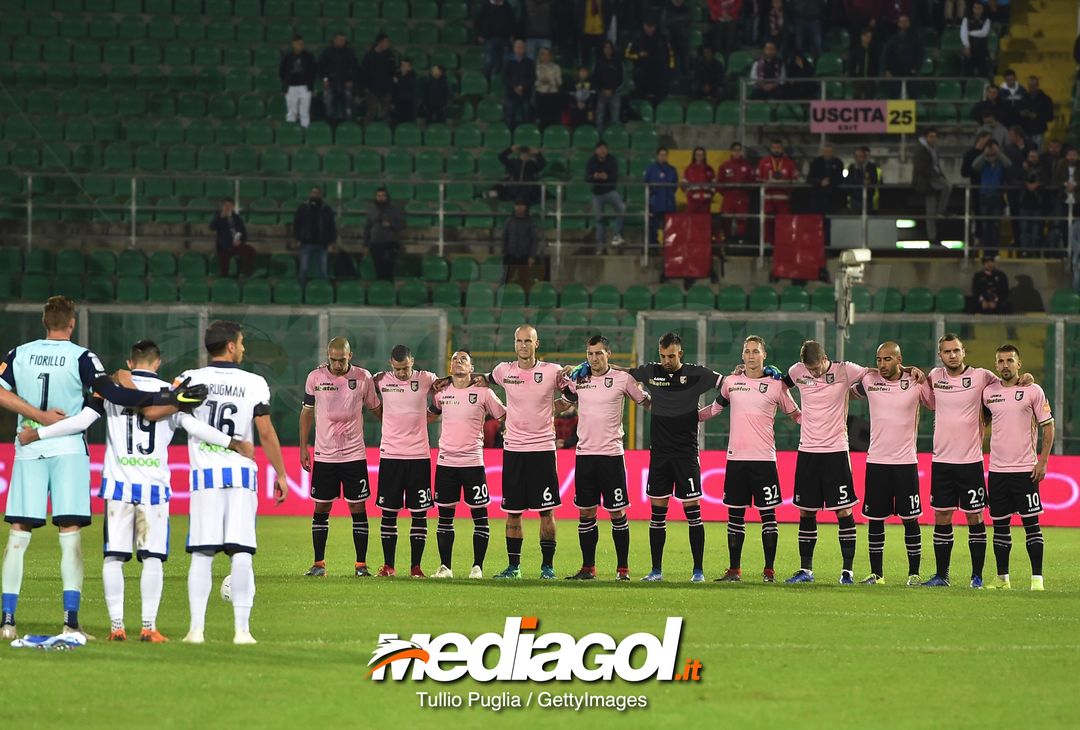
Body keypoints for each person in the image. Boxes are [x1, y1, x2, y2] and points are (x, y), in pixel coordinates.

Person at [0, 296, 208, 641]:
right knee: (70, 537)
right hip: (69, 451)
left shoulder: (17, 354)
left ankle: (7, 621)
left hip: (29, 447)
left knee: (18, 536)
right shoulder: (82, 357)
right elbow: (114, 394)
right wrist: (167, 399)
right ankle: (71, 622)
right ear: (72, 323)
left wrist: (36, 421)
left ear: (43, 320)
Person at [17, 340, 251, 642]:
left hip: (118, 485)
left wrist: (38, 432)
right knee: (152, 558)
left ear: (130, 362)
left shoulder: (112, 392)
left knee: (114, 557)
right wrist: (232, 442)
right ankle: (148, 626)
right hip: (154, 487)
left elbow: (82, 421)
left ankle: (117, 627)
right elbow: (195, 428)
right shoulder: (171, 394)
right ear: (157, 362)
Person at [176, 320, 289, 644]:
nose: (243, 348)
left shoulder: (189, 379)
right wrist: (280, 473)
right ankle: (242, 630)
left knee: (202, 553)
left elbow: (176, 416)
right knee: (241, 552)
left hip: (205, 477)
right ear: (229, 346)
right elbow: (265, 431)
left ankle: (196, 630)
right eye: (240, 343)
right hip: (241, 476)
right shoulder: (253, 382)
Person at [779, 341, 921, 584]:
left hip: (836, 450)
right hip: (807, 450)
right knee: (806, 510)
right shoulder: (796, 371)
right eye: (809, 370)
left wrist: (907, 369)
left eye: (817, 368)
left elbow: (875, 373)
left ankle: (847, 571)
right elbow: (778, 386)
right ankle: (806, 570)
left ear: (826, 358)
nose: (813, 373)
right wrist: (793, 412)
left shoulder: (845, 370)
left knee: (843, 510)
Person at [920, 334, 1031, 588]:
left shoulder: (982, 376)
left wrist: (1028, 378)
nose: (952, 355)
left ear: (964, 351)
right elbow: (925, 400)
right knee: (942, 515)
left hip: (970, 462)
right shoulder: (935, 377)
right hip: (942, 461)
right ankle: (941, 576)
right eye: (947, 352)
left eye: (956, 350)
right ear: (940, 355)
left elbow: (1007, 384)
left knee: (974, 517)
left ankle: (977, 576)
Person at [467, 325, 569, 580]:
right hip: (513, 449)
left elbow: (573, 392)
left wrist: (557, 404)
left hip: (543, 449)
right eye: (519, 340)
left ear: (537, 344)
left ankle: (547, 567)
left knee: (547, 511)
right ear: (514, 344)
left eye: (528, 341)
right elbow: (483, 378)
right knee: (513, 512)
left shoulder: (551, 371)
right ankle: (514, 567)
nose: (523, 345)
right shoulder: (504, 370)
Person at [697, 336, 801, 583]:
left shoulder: (776, 386)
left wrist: (823, 425)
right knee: (735, 516)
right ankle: (734, 570)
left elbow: (796, 415)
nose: (751, 355)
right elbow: (714, 409)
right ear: (742, 356)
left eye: (756, 351)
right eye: (747, 351)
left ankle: (769, 571)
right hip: (736, 459)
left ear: (764, 355)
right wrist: (687, 417)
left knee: (768, 517)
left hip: (764, 460)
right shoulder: (731, 382)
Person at [624, 333, 724, 582]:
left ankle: (698, 571)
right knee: (657, 515)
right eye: (663, 355)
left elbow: (728, 384)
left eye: (671, 356)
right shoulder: (651, 372)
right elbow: (623, 372)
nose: (666, 360)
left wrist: (710, 411)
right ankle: (656, 570)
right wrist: (594, 366)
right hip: (659, 454)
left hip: (686, 454)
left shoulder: (696, 374)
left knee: (693, 513)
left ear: (680, 353)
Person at [560, 336, 650, 580]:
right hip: (585, 456)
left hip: (611, 457)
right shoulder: (580, 378)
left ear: (609, 354)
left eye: (599, 353)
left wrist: (673, 405)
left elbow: (646, 402)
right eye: (590, 354)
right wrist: (559, 382)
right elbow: (562, 404)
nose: (594, 358)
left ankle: (623, 570)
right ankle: (588, 568)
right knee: (586, 513)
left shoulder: (623, 379)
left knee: (617, 513)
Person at [850, 343, 933, 586]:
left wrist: (917, 373)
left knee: (911, 519)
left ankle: (914, 574)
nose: (882, 364)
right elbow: (846, 388)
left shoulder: (916, 383)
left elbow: (934, 403)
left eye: (888, 359)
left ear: (899, 359)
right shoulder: (869, 380)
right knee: (875, 520)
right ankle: (877, 574)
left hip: (906, 463)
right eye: (879, 359)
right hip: (876, 462)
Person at [300, 337, 382, 578]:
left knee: (357, 506)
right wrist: (304, 446)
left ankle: (361, 566)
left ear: (350, 356)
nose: (337, 364)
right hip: (324, 454)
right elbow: (306, 413)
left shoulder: (363, 377)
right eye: (333, 360)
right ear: (328, 356)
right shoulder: (315, 377)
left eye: (342, 360)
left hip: (354, 454)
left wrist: (396, 427)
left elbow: (376, 408)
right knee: (322, 505)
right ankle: (318, 564)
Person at [429, 351, 507, 579]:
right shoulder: (442, 393)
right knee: (445, 517)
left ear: (472, 367)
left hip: (473, 461)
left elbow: (504, 416)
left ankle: (477, 567)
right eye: (454, 359)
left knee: (479, 516)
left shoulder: (484, 393)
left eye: (463, 359)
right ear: (450, 367)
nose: (458, 362)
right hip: (446, 462)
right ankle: (445, 567)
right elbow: (429, 415)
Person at [982, 345, 1054, 591]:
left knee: (1031, 525)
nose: (1005, 365)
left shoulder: (1033, 390)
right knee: (1000, 527)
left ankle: (1037, 580)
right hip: (998, 470)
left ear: (1019, 363)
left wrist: (1042, 461)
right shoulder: (988, 392)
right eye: (1000, 360)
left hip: (1025, 469)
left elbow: (1048, 427)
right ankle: (1003, 579)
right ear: (996, 364)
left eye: (1010, 360)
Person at [372, 346, 439, 578]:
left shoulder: (426, 378)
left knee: (419, 513)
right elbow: (362, 391)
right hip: (390, 455)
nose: (401, 373)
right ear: (391, 365)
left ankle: (416, 567)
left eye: (406, 368)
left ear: (413, 361)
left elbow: (444, 395)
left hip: (419, 456)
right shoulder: (380, 380)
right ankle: (389, 566)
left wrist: (429, 414)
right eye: (397, 369)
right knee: (388, 513)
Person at [912, 127, 952, 244]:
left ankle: (932, 237)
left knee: (930, 210)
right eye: (931, 136)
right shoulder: (921, 149)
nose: (933, 139)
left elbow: (936, 165)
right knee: (947, 187)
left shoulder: (932, 149)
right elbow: (922, 168)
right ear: (926, 137)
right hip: (926, 180)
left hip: (931, 179)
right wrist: (937, 176)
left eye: (935, 137)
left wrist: (941, 176)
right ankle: (941, 210)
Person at [755, 139, 799, 244]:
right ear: (771, 149)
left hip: (783, 199)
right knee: (767, 222)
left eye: (778, 148)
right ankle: (766, 245)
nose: (776, 150)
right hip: (767, 198)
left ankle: (783, 243)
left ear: (782, 149)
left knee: (784, 222)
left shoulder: (789, 163)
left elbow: (796, 180)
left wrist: (785, 183)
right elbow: (757, 179)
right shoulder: (763, 162)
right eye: (774, 148)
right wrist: (767, 182)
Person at [293, 187, 337, 286]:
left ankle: (323, 291)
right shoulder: (303, 208)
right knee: (303, 269)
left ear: (320, 194)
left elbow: (331, 226)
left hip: (322, 244)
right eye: (313, 192)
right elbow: (297, 224)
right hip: (306, 243)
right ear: (310, 194)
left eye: (317, 193)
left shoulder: (326, 208)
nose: (315, 194)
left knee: (323, 270)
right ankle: (301, 290)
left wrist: (332, 241)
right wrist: (297, 238)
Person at [971, 141, 1009, 252]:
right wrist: (984, 154)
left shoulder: (1000, 163)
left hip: (997, 196)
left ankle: (995, 250)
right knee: (985, 225)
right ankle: (987, 251)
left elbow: (1008, 164)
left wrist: (998, 152)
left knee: (996, 225)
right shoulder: (983, 163)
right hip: (984, 196)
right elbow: (974, 166)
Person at [586, 141, 626, 248]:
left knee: (621, 209)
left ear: (607, 150)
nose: (602, 151)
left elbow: (615, 177)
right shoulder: (591, 161)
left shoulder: (612, 160)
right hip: (597, 193)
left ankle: (617, 234)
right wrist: (594, 177)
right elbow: (587, 177)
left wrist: (606, 177)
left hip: (610, 191)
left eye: (604, 148)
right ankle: (600, 245)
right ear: (596, 151)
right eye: (600, 148)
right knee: (600, 219)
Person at [625, 18, 674, 103]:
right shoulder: (637, 37)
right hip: (642, 76)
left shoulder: (662, 38)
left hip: (658, 76)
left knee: (658, 101)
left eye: (652, 26)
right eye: (647, 26)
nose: (649, 29)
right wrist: (638, 55)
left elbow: (670, 54)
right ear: (643, 26)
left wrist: (668, 70)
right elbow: (627, 54)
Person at [363, 187, 406, 282]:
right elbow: (367, 228)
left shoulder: (394, 209)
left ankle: (389, 290)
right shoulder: (372, 210)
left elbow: (402, 225)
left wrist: (390, 225)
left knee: (389, 270)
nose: (380, 198)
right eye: (378, 196)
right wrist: (365, 245)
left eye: (383, 196)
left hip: (390, 244)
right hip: (375, 244)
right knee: (379, 270)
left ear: (386, 197)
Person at [501, 199, 544, 290]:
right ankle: (502, 300)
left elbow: (534, 240)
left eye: (522, 205)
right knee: (505, 281)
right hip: (510, 256)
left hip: (524, 256)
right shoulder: (509, 221)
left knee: (524, 281)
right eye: (517, 205)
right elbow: (504, 238)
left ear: (525, 207)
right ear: (514, 207)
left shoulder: (530, 222)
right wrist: (504, 253)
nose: (519, 207)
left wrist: (531, 256)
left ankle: (523, 301)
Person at [806, 142, 844, 244]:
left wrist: (830, 181)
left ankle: (828, 247)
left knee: (829, 224)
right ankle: (814, 245)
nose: (828, 153)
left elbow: (840, 178)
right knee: (815, 223)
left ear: (833, 152)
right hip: (817, 199)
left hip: (831, 199)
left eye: (830, 151)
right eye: (825, 151)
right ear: (822, 152)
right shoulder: (816, 162)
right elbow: (809, 179)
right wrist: (820, 182)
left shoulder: (838, 163)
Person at [318, 32, 360, 124]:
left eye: (344, 40)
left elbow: (355, 68)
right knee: (329, 108)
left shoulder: (350, 52)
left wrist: (351, 80)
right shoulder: (327, 52)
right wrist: (325, 79)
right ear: (335, 40)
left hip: (345, 85)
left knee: (348, 109)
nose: (342, 42)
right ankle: (330, 126)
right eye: (340, 39)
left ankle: (347, 126)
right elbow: (321, 68)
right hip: (331, 84)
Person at [717, 141, 754, 241]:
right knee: (726, 219)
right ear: (731, 151)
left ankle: (740, 241)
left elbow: (752, 182)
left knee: (742, 220)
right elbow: (719, 183)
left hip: (742, 197)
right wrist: (726, 194)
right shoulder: (725, 166)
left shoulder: (747, 166)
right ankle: (727, 241)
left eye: (739, 150)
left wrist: (745, 193)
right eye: (735, 150)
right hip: (729, 197)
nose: (737, 153)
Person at [643, 147, 679, 247]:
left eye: (665, 155)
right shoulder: (651, 169)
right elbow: (646, 184)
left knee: (669, 228)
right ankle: (653, 247)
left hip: (669, 203)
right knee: (653, 227)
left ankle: (669, 248)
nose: (663, 157)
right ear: (657, 156)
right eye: (661, 155)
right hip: (655, 203)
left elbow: (675, 186)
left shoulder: (672, 170)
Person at [209, 198, 254, 278]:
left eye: (230, 206)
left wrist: (239, 240)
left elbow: (242, 232)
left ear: (233, 207)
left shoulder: (237, 218)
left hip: (236, 245)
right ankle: (224, 277)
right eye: (226, 206)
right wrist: (220, 217)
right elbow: (212, 227)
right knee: (224, 267)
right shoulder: (219, 216)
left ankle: (245, 273)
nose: (227, 208)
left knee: (250, 251)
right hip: (224, 246)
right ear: (222, 207)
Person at [279, 35, 316, 128]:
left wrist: (309, 81)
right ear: (293, 44)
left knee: (305, 112)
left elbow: (313, 70)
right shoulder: (287, 57)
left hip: (305, 87)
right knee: (292, 112)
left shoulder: (308, 56)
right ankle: (290, 132)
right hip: (291, 87)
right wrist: (287, 82)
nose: (301, 45)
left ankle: (305, 133)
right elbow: (281, 72)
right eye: (299, 44)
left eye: (302, 44)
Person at [359, 33, 396, 123]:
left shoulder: (390, 55)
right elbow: (364, 73)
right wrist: (365, 87)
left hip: (386, 88)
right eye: (385, 42)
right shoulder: (369, 56)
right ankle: (365, 131)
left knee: (385, 112)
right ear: (379, 43)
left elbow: (392, 71)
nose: (387, 44)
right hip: (372, 88)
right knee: (372, 110)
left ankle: (385, 132)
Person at [475, 0, 516, 81]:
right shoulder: (486, 5)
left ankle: (503, 82)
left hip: (505, 39)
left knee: (506, 61)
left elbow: (512, 21)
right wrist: (480, 34)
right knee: (488, 61)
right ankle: (486, 81)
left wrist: (512, 34)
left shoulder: (507, 6)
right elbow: (478, 21)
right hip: (490, 38)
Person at [1018, 149, 1048, 253]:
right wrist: (1026, 183)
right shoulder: (1022, 169)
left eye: (1035, 156)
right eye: (1031, 156)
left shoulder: (1043, 169)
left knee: (1037, 230)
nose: (1033, 158)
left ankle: (1035, 251)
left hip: (1038, 204)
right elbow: (1016, 179)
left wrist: (1038, 184)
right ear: (1027, 157)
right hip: (1024, 203)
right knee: (1024, 230)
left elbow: (1047, 180)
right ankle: (1025, 251)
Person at [883, 14, 924, 86]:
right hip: (895, 72)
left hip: (911, 73)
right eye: (902, 21)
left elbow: (920, 54)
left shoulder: (915, 38)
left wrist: (916, 68)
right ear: (898, 24)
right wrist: (887, 70)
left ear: (909, 23)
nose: (904, 23)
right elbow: (887, 55)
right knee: (895, 95)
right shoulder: (893, 39)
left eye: (905, 21)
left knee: (912, 95)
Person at [503, 39, 536, 128]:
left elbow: (532, 78)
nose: (519, 49)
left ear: (524, 49)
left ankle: (525, 137)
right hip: (511, 93)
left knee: (526, 116)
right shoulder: (508, 62)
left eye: (521, 47)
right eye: (517, 47)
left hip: (525, 93)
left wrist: (522, 87)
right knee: (509, 117)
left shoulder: (529, 62)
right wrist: (514, 87)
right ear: (514, 49)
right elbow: (505, 78)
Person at [593, 40, 623, 131]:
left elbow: (620, 78)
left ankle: (614, 139)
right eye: (605, 47)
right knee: (599, 119)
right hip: (602, 93)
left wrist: (612, 90)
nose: (607, 50)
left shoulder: (617, 62)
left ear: (612, 49)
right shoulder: (599, 63)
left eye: (609, 48)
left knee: (615, 118)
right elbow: (595, 78)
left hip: (614, 93)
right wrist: (603, 90)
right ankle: (599, 140)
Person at [1018, 76, 1054, 151]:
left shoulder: (1046, 99)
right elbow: (1018, 113)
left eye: (1034, 86)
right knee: (1026, 152)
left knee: (1038, 152)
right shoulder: (1024, 98)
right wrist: (1022, 114)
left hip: (1039, 131)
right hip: (1026, 131)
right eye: (1030, 86)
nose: (1032, 88)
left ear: (1038, 85)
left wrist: (1036, 116)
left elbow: (1050, 117)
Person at [576, 0, 614, 68]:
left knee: (600, 59)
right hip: (586, 33)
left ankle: (600, 75)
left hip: (600, 33)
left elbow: (609, 13)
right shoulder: (581, 2)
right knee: (585, 59)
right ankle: (585, 76)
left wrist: (605, 26)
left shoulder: (605, 1)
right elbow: (577, 15)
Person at [534, 47, 564, 128]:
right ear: (540, 56)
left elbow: (560, 82)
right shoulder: (537, 67)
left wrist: (550, 80)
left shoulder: (556, 67)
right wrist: (542, 81)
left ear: (550, 56)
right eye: (543, 54)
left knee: (553, 120)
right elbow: (536, 82)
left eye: (547, 54)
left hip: (553, 96)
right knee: (542, 120)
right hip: (541, 96)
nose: (545, 56)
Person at [845, 146, 881, 213]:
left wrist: (869, 183)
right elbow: (849, 180)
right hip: (855, 198)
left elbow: (875, 180)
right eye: (858, 156)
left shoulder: (871, 167)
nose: (860, 158)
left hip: (868, 198)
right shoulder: (852, 167)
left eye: (862, 156)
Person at [960, 2, 991, 79]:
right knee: (968, 73)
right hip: (970, 49)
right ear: (973, 9)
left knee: (983, 72)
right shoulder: (966, 19)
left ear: (982, 9)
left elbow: (984, 33)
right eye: (975, 8)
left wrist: (970, 33)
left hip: (981, 50)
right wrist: (966, 46)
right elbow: (963, 33)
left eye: (979, 8)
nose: (977, 10)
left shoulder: (987, 20)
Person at [662, 0, 694, 73]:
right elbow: (664, 25)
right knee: (671, 63)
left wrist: (675, 20)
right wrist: (680, 21)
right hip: (671, 40)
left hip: (683, 39)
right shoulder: (667, 9)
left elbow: (688, 22)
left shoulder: (686, 9)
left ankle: (685, 78)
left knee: (685, 63)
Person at [682, 146, 716, 215]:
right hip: (692, 203)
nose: (699, 157)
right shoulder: (689, 169)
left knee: (704, 223)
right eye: (697, 155)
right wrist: (690, 195)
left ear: (704, 156)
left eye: (701, 155)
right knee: (692, 223)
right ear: (694, 156)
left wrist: (710, 195)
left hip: (705, 203)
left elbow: (715, 184)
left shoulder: (709, 169)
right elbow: (684, 185)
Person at [850, 27, 879, 99]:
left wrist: (875, 76)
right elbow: (851, 64)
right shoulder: (856, 50)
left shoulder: (873, 51)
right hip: (858, 78)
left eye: (870, 37)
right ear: (862, 37)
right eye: (867, 36)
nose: (868, 39)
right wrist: (852, 75)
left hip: (870, 79)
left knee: (870, 97)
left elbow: (876, 64)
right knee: (856, 98)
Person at [392, 57, 417, 125]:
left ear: (410, 67)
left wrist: (398, 82)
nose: (402, 67)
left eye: (405, 65)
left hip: (409, 105)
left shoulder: (413, 76)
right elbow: (394, 90)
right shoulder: (397, 75)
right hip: (398, 104)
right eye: (402, 65)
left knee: (408, 123)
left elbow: (408, 87)